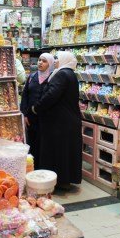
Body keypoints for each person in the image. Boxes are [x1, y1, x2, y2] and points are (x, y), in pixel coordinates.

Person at [32, 51, 82, 189]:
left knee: (57, 151)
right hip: (68, 121)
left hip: (60, 122)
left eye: (57, 59)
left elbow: (51, 95)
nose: (55, 61)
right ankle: (65, 180)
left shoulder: (62, 74)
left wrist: (37, 107)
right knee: (65, 152)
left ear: (64, 59)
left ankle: (57, 181)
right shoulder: (70, 74)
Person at [20, 53, 54, 168]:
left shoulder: (53, 78)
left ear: (50, 64)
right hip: (31, 118)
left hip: (46, 118)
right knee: (32, 143)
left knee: (44, 143)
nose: (40, 62)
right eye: (39, 60)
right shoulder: (31, 77)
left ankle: (43, 168)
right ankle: (32, 168)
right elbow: (25, 96)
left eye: (44, 61)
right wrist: (24, 114)